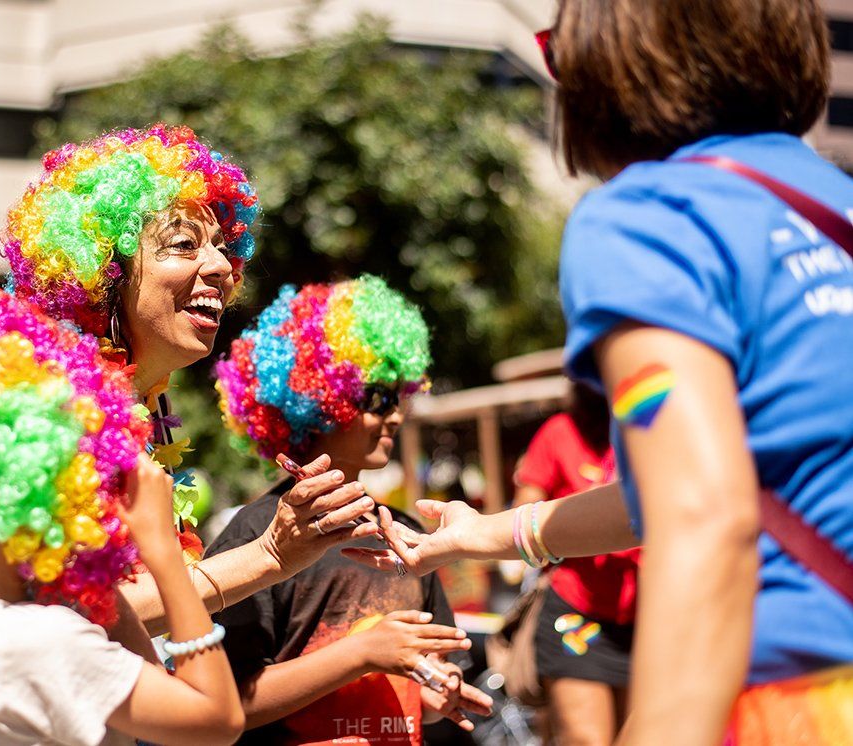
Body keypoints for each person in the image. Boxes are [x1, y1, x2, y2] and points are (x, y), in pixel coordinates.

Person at [354, 2, 853, 743]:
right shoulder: (833, 201)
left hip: (794, 698)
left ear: (612, 62)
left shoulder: (649, 215)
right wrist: (483, 535)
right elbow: (682, 487)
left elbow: (704, 515)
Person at [0, 125, 375, 742]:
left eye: (224, 249)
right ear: (103, 270)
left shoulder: (141, 399)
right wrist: (271, 553)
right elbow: (85, 603)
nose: (221, 269)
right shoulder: (55, 406)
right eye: (184, 245)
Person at [0, 288, 244, 745]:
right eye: (64, 453)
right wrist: (162, 550)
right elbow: (218, 720)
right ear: (11, 478)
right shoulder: (38, 642)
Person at [209, 276, 492, 745]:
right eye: (378, 398)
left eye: (399, 397)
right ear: (318, 400)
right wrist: (361, 654)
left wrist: (437, 693)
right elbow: (223, 706)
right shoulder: (257, 538)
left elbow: (425, 673)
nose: (396, 415)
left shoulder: (402, 533)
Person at [513, 384, 637, 745]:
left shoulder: (648, 430)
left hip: (646, 621)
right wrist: (587, 515)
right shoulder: (560, 432)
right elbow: (523, 509)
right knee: (586, 739)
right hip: (577, 614)